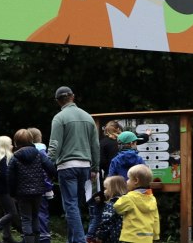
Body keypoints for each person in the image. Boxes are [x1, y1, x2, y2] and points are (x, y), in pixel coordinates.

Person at [48, 86, 101, 243]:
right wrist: (95, 167)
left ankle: (79, 240)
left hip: (67, 166)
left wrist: (48, 164)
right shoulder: (88, 117)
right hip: (85, 166)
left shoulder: (59, 118)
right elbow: (95, 145)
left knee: (70, 205)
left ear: (58, 101)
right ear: (73, 97)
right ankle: (72, 240)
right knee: (74, 205)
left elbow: (55, 145)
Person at [7, 128, 56, 243]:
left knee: (26, 218)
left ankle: (28, 240)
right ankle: (37, 240)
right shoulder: (39, 155)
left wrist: (12, 193)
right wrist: (48, 180)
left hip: (22, 193)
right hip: (38, 191)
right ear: (31, 140)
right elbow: (51, 169)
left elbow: (10, 178)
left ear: (15, 142)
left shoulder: (15, 158)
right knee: (35, 216)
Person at [112, 164, 160, 243]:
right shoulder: (152, 199)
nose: (127, 181)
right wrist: (155, 236)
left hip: (130, 238)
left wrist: (123, 196)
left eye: (129, 179)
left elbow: (117, 207)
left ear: (136, 181)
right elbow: (156, 219)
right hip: (147, 239)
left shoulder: (129, 198)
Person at [88, 175, 129, 243]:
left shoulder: (111, 204)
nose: (104, 191)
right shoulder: (128, 202)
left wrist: (100, 236)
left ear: (112, 189)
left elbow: (106, 222)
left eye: (105, 188)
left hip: (112, 237)